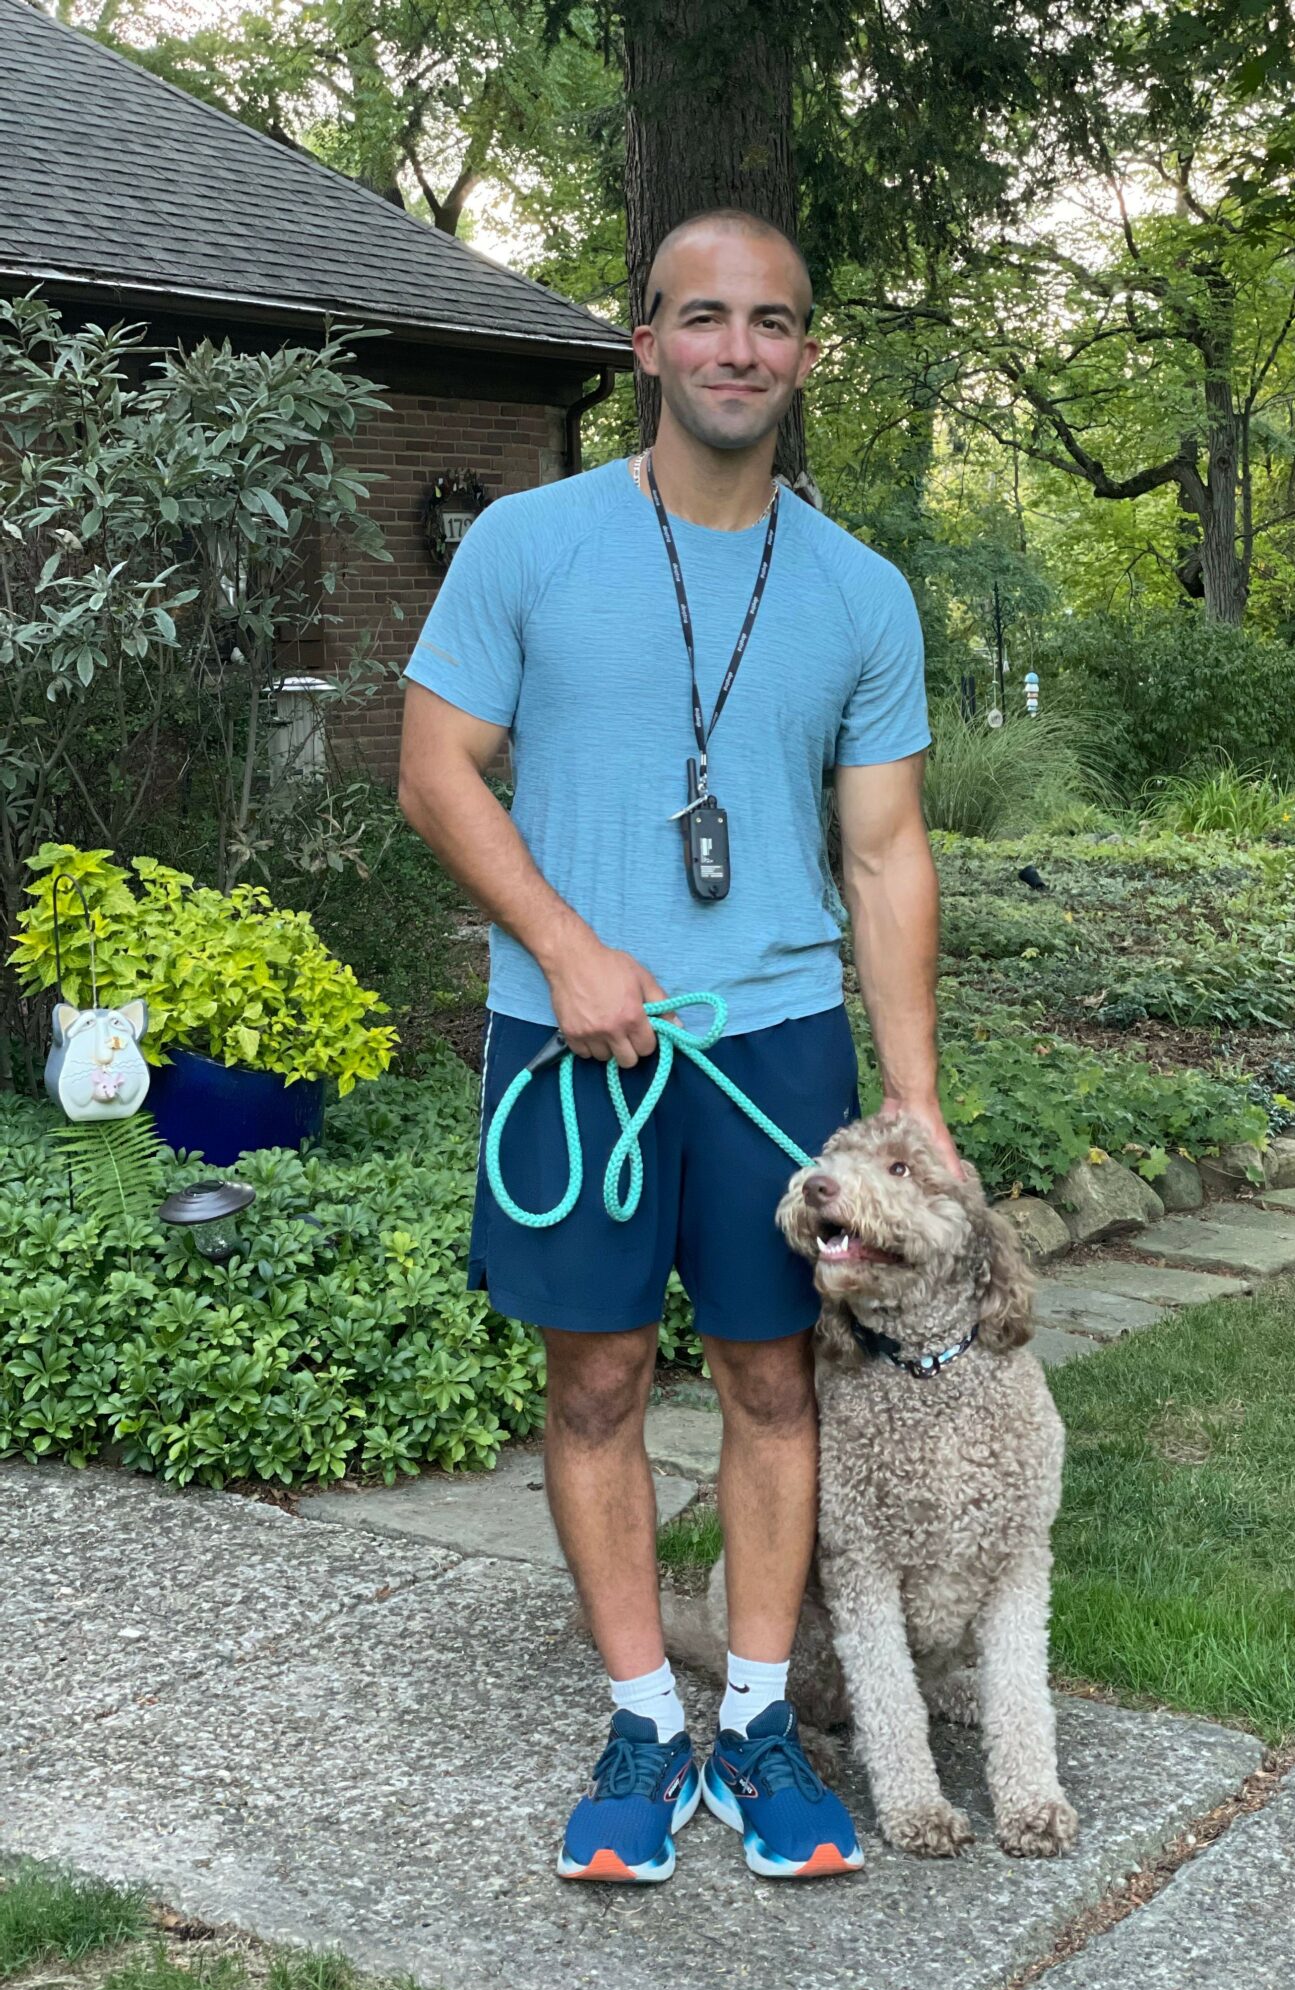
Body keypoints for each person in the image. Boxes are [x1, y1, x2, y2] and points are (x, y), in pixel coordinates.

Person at [397, 206, 961, 1884]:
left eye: (771, 322)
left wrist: (913, 1100)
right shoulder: (527, 542)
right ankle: (647, 1724)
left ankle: (767, 1728)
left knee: (776, 1380)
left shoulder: (859, 591)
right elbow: (437, 767)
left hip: (776, 1048)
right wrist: (568, 949)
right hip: (571, 1044)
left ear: (801, 355)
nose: (737, 348)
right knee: (595, 1381)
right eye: (701, 317)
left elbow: (885, 851)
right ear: (643, 343)